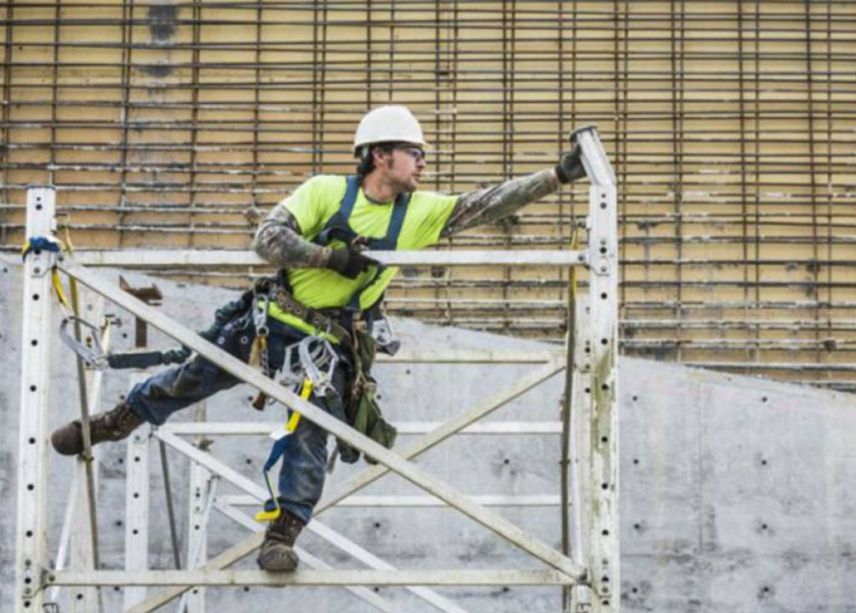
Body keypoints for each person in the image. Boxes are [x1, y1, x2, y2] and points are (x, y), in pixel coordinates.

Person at [49, 104, 588, 572]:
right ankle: (118, 422)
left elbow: (489, 203)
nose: (423, 162)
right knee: (194, 375)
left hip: (328, 345)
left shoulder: (419, 212)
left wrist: (558, 175)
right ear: (381, 155)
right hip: (273, 321)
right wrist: (329, 257)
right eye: (414, 152)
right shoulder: (325, 192)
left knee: (314, 427)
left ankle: (282, 534)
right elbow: (269, 237)